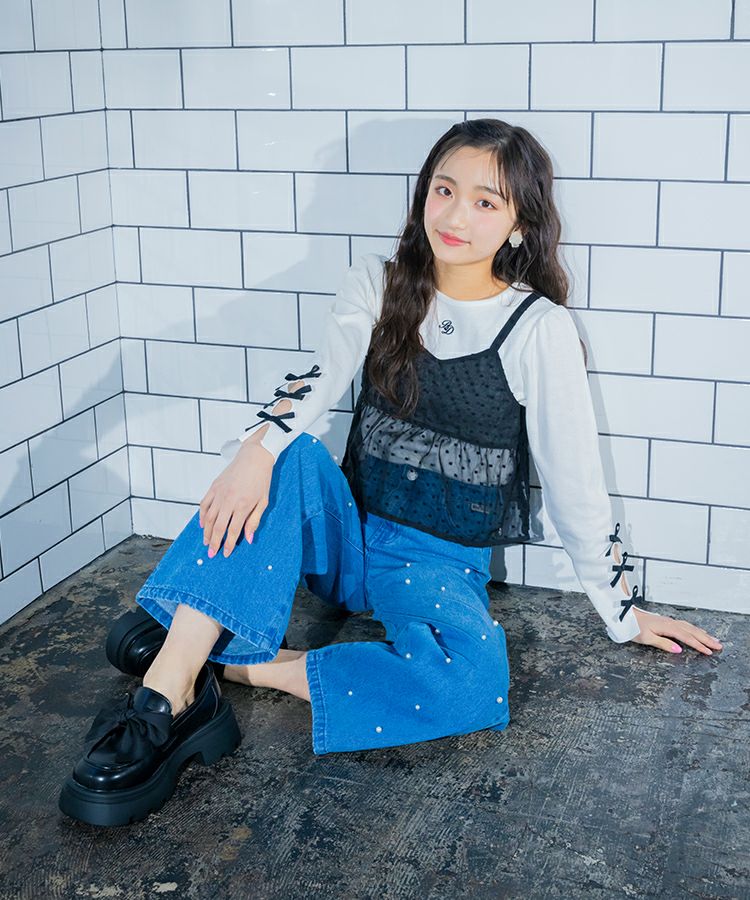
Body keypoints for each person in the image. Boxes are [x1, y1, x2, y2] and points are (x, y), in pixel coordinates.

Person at [59, 118, 723, 827]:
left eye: (486, 202)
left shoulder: (539, 329)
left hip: (436, 564)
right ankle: (166, 696)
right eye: (444, 190)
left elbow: (576, 486)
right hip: (347, 536)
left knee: (474, 686)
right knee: (286, 456)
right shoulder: (379, 285)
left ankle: (223, 658)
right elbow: (321, 376)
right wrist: (254, 452)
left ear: (521, 226)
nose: (456, 216)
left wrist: (622, 614)